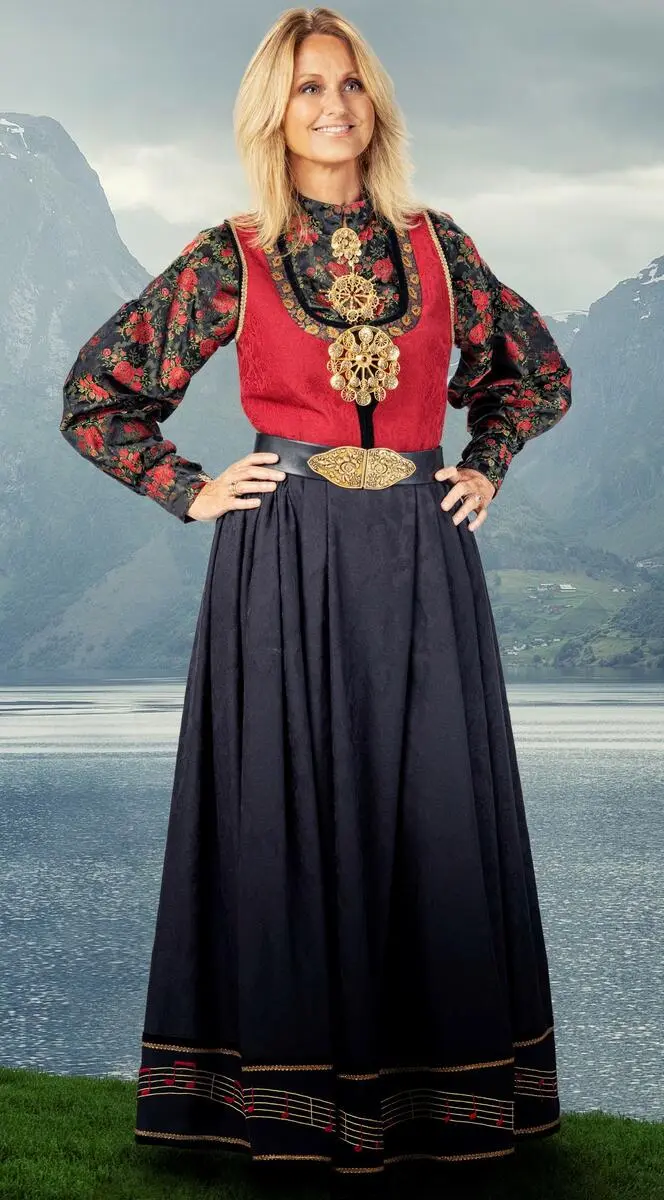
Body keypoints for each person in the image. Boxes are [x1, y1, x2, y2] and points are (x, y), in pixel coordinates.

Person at [59, 4, 572, 1185]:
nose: (333, 105)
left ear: (373, 100)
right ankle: (284, 1108)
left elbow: (535, 372)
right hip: (283, 560)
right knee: (287, 818)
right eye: (306, 88)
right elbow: (98, 394)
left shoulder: (439, 246)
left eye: (347, 83)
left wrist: (486, 464)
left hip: (423, 557)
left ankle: (445, 1110)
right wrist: (186, 487)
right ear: (273, 113)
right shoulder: (230, 255)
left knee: (432, 814)